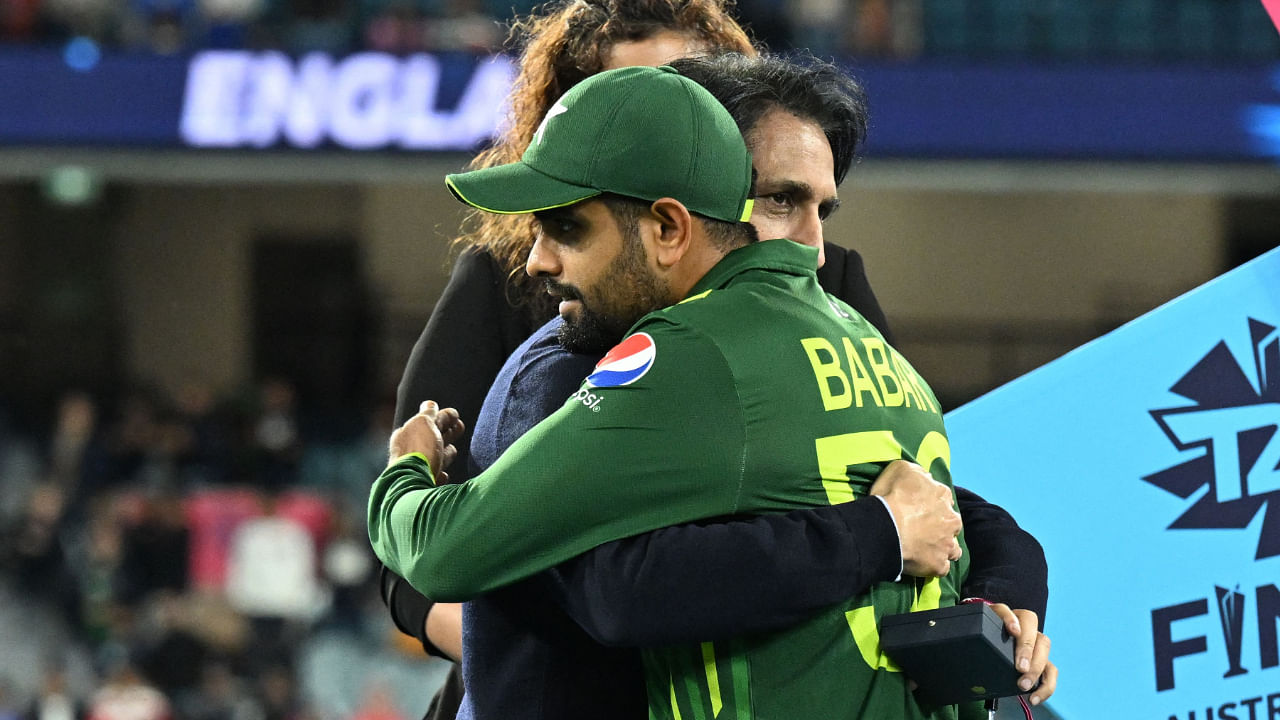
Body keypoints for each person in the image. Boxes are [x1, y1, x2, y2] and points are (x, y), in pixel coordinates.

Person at [381, 5, 1047, 715]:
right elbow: (596, 586)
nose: (808, 249)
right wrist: (875, 538)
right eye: (779, 201)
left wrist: (1000, 598)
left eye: (817, 207)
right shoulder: (561, 331)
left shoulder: (823, 301)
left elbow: (916, 488)